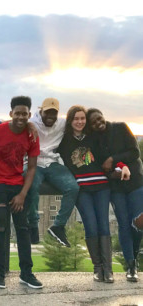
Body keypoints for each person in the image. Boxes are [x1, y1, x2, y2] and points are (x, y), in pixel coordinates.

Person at [58, 106, 130, 283]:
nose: (80, 122)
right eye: (76, 119)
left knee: (103, 225)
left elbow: (108, 155)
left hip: (101, 186)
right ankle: (97, 269)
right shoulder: (64, 140)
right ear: (70, 121)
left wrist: (123, 165)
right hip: (82, 189)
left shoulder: (93, 138)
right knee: (90, 225)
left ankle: (109, 270)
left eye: (82, 118)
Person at [0, 96, 43, 289]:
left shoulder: (32, 135)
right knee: (0, 223)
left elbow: (33, 167)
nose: (20, 117)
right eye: (17, 113)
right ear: (11, 114)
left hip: (17, 185)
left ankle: (26, 273)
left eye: (24, 114)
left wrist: (23, 194)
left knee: (22, 227)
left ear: (29, 115)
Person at [88, 108, 143, 282]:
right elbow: (99, 167)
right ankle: (131, 266)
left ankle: (134, 257)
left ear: (103, 116)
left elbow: (135, 153)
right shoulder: (94, 142)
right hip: (115, 187)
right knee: (124, 224)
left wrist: (113, 158)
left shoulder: (121, 128)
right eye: (94, 122)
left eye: (99, 118)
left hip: (135, 183)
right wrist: (112, 174)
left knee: (138, 223)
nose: (98, 123)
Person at [25, 98, 79, 247]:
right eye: (47, 112)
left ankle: (58, 226)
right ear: (41, 110)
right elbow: (14, 123)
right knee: (32, 185)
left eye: (53, 113)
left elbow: (80, 125)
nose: (50, 116)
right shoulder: (31, 122)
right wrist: (28, 124)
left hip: (52, 163)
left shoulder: (61, 124)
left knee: (73, 187)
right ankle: (33, 224)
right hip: (32, 162)